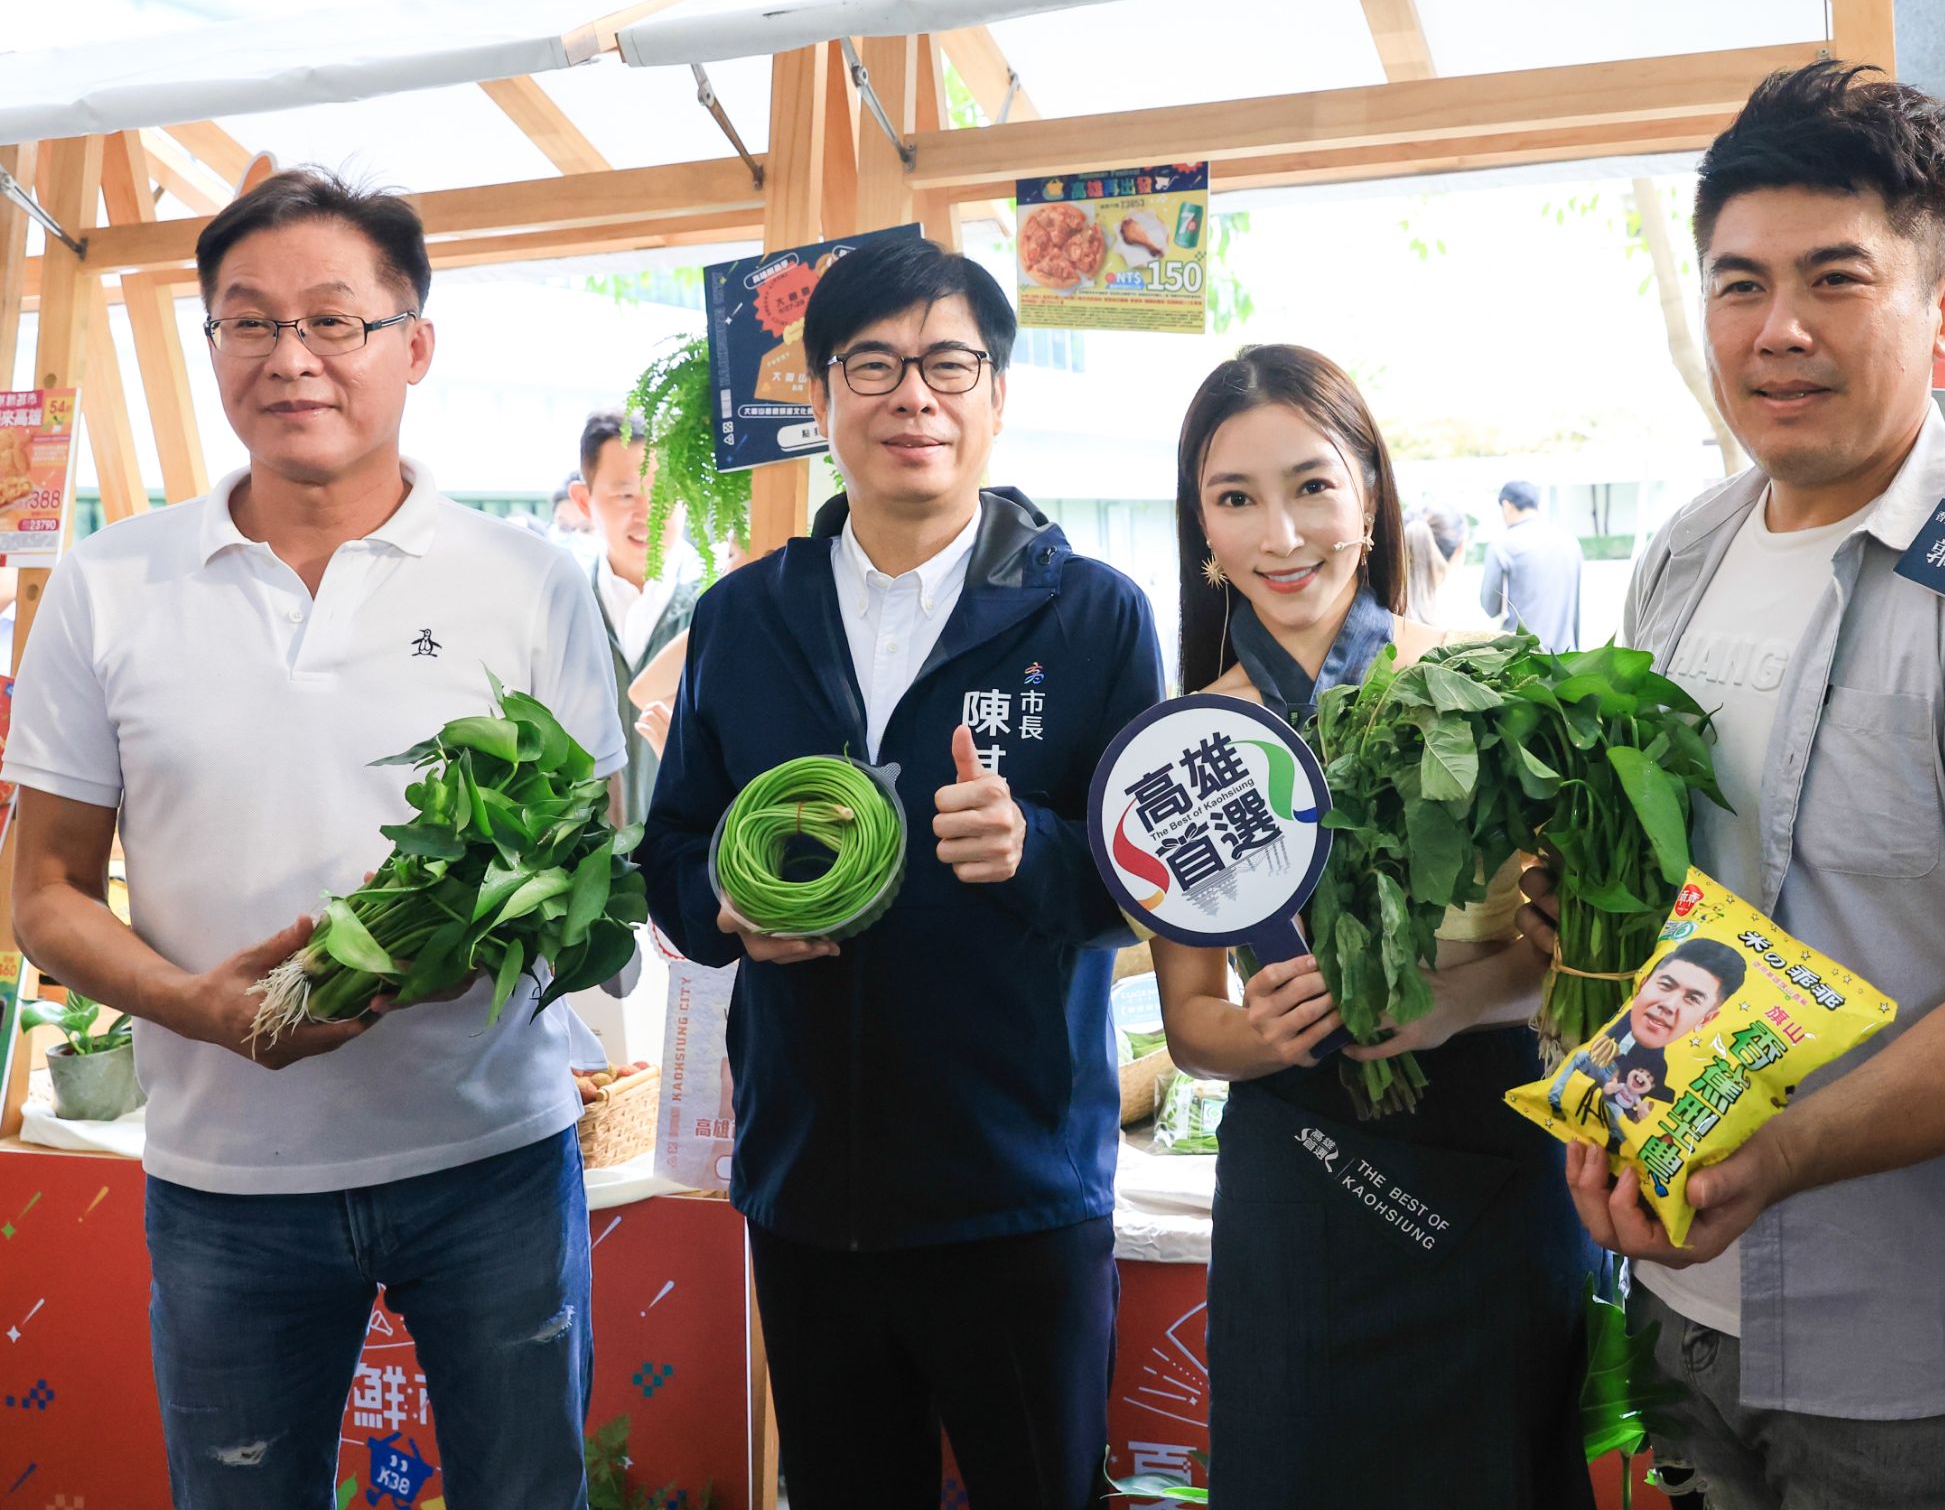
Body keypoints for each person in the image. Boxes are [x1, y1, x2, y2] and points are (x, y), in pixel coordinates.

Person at [1522, 62, 1945, 1509]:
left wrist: (1791, 1148)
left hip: (1927, 1339)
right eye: (1738, 284)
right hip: (1686, 1300)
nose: (1779, 330)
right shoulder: (1685, 554)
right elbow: (1675, 892)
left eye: (1838, 278)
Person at [8, 169, 624, 1510]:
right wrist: (204, 1008)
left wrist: (466, 950)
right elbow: (45, 890)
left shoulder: (528, 582)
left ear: (414, 343)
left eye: (335, 321)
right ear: (214, 346)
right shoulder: (114, 585)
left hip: (491, 1167)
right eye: (248, 322)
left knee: (530, 1496)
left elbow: (594, 862)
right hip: (227, 1181)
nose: (292, 359)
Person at [637, 237, 1162, 1510]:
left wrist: (1034, 848)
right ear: (818, 403)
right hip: (811, 1190)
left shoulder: (1090, 615)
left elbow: (1144, 887)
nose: (910, 396)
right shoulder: (742, 618)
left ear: (996, 395)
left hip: (1017, 1194)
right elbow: (669, 860)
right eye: (870, 365)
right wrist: (727, 902)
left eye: (946, 363)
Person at [1148, 344, 1591, 1510]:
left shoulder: (1489, 688)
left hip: (1491, 1159)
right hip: (1299, 1171)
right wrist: (1264, 1034)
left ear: (1370, 497)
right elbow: (1190, 1019)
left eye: (1312, 487)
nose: (1281, 535)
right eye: (1235, 499)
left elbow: (1566, 960)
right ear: (1203, 535)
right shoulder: (1187, 742)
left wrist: (1452, 998)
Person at [569, 408, 698, 823]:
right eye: (626, 494)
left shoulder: (718, 608)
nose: (648, 513)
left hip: (691, 862)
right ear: (584, 501)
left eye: (664, 492)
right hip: (587, 871)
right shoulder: (563, 608)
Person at [1545, 940, 1746, 1146]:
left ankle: (1616, 1139)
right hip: (1595, 1067)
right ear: (1645, 982)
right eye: (1666, 985)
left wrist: (1637, 1109)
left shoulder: (1661, 1065)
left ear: (1705, 1019)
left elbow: (1656, 1093)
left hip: (1617, 1093)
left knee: (1615, 1112)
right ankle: (1553, 1098)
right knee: (1579, 1057)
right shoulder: (1620, 1022)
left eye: (1693, 999)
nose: (1668, 1005)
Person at [1480, 478, 1583, 648]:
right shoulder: (1570, 541)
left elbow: (1490, 607)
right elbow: (1575, 610)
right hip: (1565, 654)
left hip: (1523, 657)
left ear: (1507, 505)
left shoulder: (1503, 545)